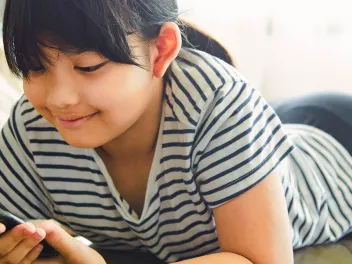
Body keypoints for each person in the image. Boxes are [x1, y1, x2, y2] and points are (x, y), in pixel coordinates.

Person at [0, 1, 351, 264]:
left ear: (162, 49)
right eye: (33, 68)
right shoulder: (30, 127)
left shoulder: (219, 101)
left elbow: (260, 260)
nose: (59, 99)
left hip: (335, 139)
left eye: (89, 66)